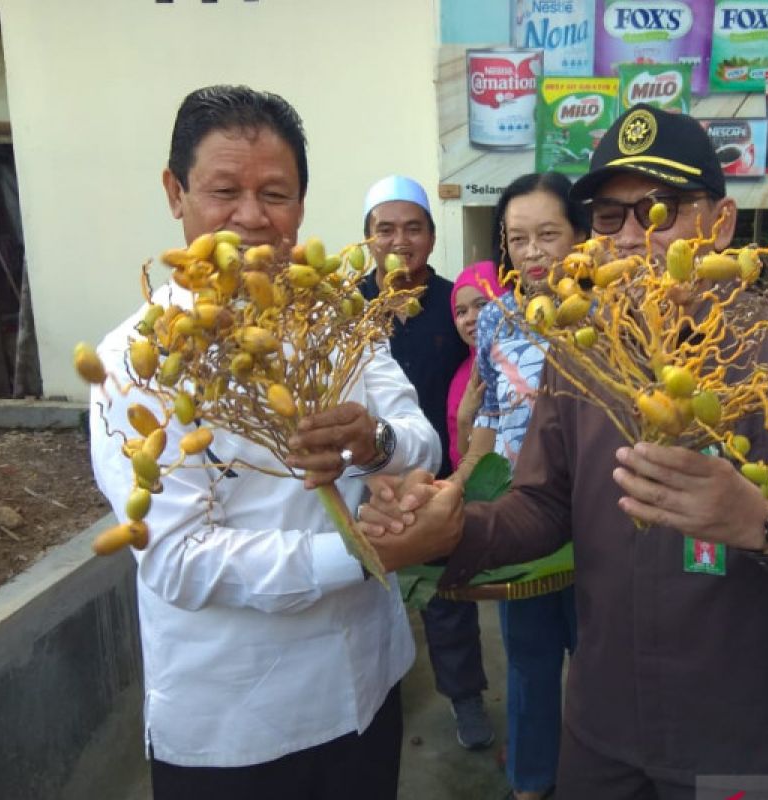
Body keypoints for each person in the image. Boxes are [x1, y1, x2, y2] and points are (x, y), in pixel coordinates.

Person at [359, 104, 768, 799]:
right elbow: (543, 507)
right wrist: (453, 527)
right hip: (604, 723)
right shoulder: (583, 353)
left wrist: (764, 522)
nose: (636, 236)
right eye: (611, 216)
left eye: (661, 209)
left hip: (731, 730)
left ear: (722, 223)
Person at [89, 85, 439, 800]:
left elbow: (421, 443)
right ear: (175, 193)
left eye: (275, 193)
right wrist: (363, 553)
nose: (250, 217)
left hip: (367, 688)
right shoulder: (137, 363)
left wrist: (376, 444)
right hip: (238, 727)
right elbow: (179, 560)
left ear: (301, 208)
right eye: (224, 190)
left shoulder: (339, 324)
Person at [452, 173, 585, 800]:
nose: (533, 253)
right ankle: (531, 782)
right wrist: (463, 491)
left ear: (580, 236)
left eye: (548, 235)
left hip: (596, 521)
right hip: (520, 518)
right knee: (528, 661)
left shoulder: (611, 317)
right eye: (518, 239)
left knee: (597, 664)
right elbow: (489, 416)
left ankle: (594, 776)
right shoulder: (497, 322)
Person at [359, 175, 495, 751]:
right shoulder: (345, 309)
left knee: (446, 595)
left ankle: (465, 699)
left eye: (413, 228)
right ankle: (371, 694)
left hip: (439, 477)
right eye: (385, 229)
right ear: (367, 239)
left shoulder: (450, 302)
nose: (399, 240)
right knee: (362, 589)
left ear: (433, 236)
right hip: (363, 477)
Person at [447, 260, 505, 471]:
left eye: (481, 305)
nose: (471, 319)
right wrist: (464, 419)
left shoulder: (529, 363)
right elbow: (461, 465)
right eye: (461, 312)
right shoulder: (462, 379)